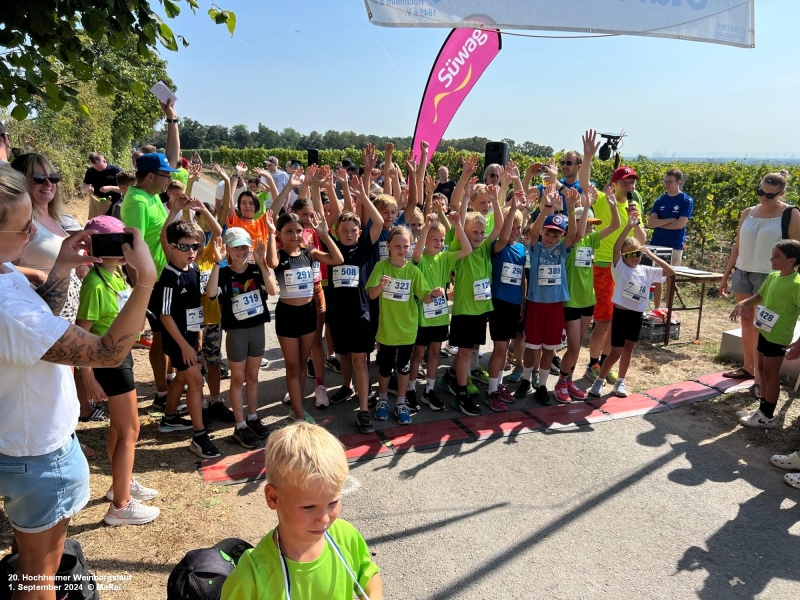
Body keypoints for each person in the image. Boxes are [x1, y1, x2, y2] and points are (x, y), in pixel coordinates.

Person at [0, 164, 157, 599]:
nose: (34, 231)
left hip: (21, 441)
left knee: (28, 559)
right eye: (23, 227)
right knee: (39, 577)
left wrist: (63, 265)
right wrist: (145, 281)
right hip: (39, 453)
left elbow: (35, 315)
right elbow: (108, 352)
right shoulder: (9, 311)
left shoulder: (5, 271)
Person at [220, 422, 383, 599]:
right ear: (273, 498)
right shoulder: (250, 578)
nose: (324, 519)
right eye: (308, 507)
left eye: (333, 503)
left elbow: (367, 575)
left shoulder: (346, 536)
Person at [75, 215, 160, 526]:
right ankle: (121, 505)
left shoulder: (118, 276)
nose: (123, 249)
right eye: (114, 242)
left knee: (119, 428)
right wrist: (87, 377)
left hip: (120, 358)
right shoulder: (94, 283)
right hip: (108, 363)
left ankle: (120, 484)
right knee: (130, 430)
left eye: (125, 242)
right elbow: (81, 334)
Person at [719, 173, 800, 398]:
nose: (764, 197)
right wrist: (725, 276)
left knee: (762, 326)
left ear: (782, 193)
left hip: (770, 276)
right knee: (746, 321)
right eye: (761, 192)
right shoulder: (748, 213)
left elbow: (796, 249)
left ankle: (759, 380)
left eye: (770, 195)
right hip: (743, 272)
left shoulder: (791, 214)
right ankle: (748, 367)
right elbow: (737, 247)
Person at [267, 211, 343, 424]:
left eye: (298, 231)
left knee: (302, 363)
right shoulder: (279, 255)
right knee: (292, 366)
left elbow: (338, 259)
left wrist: (324, 235)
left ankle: (296, 408)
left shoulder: (310, 253)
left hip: (308, 313)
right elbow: (271, 262)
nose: (295, 235)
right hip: (287, 315)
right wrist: (271, 233)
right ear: (280, 234)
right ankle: (299, 415)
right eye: (288, 231)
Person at [154, 220, 220, 459]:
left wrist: (198, 334)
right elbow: (165, 315)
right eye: (185, 247)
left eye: (195, 246)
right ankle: (199, 435)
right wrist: (184, 346)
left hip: (191, 337)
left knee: (182, 378)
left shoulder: (193, 269)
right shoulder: (169, 277)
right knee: (196, 382)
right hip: (177, 342)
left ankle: (169, 418)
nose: (191, 251)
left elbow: (195, 306)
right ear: (171, 247)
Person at [206, 229, 278, 448]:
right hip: (237, 332)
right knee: (238, 378)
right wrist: (217, 262)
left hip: (256, 329)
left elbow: (273, 291)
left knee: (253, 376)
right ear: (227, 248)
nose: (241, 251)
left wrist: (262, 263)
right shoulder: (223, 272)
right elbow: (210, 293)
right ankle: (240, 425)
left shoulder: (256, 270)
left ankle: (253, 417)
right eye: (236, 247)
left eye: (244, 246)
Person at [588, 215, 674, 398]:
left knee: (628, 350)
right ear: (623, 256)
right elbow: (616, 248)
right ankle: (599, 381)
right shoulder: (620, 268)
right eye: (629, 255)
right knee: (614, 353)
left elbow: (670, 272)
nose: (634, 258)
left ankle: (620, 382)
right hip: (620, 315)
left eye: (637, 254)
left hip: (636, 316)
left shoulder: (646, 270)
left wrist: (652, 255)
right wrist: (628, 226)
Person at [324, 177, 384, 433]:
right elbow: (322, 226)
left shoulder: (363, 249)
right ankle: (346, 387)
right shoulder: (333, 248)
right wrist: (325, 188)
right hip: (338, 315)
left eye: (353, 230)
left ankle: (363, 410)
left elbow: (379, 223)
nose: (349, 234)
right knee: (344, 355)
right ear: (337, 232)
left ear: (359, 232)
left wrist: (363, 196)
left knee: (360, 359)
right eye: (344, 230)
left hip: (361, 314)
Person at [513, 186, 581, 404]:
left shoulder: (561, 250)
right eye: (548, 233)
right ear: (543, 232)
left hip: (555, 306)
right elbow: (533, 233)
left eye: (556, 234)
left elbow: (573, 235)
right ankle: (526, 379)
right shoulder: (536, 248)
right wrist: (546, 207)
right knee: (531, 346)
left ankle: (542, 385)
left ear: (560, 236)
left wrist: (571, 209)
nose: (551, 237)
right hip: (535, 304)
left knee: (549, 348)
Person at [441, 182, 504, 415]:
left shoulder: (485, 247)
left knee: (467, 351)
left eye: (481, 232)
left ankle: (450, 377)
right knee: (465, 353)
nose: (478, 236)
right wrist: (466, 200)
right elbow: (461, 224)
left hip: (480, 309)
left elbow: (499, 226)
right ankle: (461, 395)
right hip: (465, 310)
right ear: (465, 234)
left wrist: (495, 200)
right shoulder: (461, 247)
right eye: (474, 232)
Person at [366, 227, 440, 425]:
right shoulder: (381, 267)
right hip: (387, 328)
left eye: (405, 246)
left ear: (411, 247)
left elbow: (424, 298)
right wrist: (380, 286)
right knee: (385, 367)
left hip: (408, 328)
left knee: (404, 367)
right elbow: (371, 294)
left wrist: (433, 295)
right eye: (397, 246)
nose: (402, 250)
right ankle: (383, 400)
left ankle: (401, 402)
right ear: (388, 246)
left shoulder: (413, 271)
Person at [120, 151, 177, 405]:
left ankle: (170, 379)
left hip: (163, 278)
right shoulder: (138, 202)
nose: (169, 180)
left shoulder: (152, 196)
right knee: (160, 337)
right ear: (151, 176)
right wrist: (139, 291)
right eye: (166, 176)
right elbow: (132, 247)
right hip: (151, 283)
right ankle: (162, 393)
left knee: (167, 334)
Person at [584, 160, 646, 384]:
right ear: (614, 184)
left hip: (624, 269)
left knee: (614, 321)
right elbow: (584, 182)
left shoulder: (633, 208)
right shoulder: (603, 199)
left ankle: (605, 362)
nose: (630, 187)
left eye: (632, 183)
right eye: (625, 183)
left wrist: (635, 221)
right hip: (602, 266)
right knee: (603, 320)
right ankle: (592, 364)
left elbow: (641, 240)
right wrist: (588, 157)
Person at [555, 189, 620, 403]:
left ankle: (569, 381)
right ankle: (560, 383)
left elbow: (615, 226)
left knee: (577, 347)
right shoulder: (569, 241)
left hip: (587, 300)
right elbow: (576, 233)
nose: (591, 227)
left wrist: (612, 205)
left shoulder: (591, 240)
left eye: (592, 223)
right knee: (573, 347)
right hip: (571, 300)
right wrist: (578, 207)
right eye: (589, 223)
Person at [730, 240, 800, 428]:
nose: (771, 259)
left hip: (779, 337)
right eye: (772, 254)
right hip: (764, 331)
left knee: (771, 374)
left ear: (792, 260)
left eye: (777, 256)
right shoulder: (773, 276)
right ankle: (762, 410)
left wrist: (799, 342)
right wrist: (743, 303)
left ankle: (767, 416)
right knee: (761, 369)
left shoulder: (797, 284)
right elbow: (760, 297)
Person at [409, 208, 472, 412]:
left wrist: (458, 226)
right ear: (426, 240)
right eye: (434, 239)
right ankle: (410, 389)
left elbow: (467, 250)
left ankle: (429, 390)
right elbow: (416, 253)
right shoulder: (420, 258)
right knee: (418, 353)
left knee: (435, 352)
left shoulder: (445, 257)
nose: (439, 243)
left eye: (442, 239)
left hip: (440, 316)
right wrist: (426, 227)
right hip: (422, 315)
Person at [484, 193, 527, 411]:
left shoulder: (521, 248)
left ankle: (498, 384)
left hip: (514, 303)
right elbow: (502, 235)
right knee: (500, 348)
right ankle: (491, 392)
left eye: (519, 228)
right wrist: (512, 210)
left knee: (505, 348)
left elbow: (522, 277)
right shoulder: (498, 246)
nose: (515, 231)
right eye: (512, 227)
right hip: (498, 302)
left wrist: (522, 303)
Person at [647, 169, 694, 308]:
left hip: (675, 245)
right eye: (665, 181)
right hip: (657, 243)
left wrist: (660, 223)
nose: (666, 184)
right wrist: (669, 220)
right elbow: (651, 223)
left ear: (678, 182)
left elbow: (680, 225)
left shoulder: (686, 200)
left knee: (671, 279)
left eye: (670, 182)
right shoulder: (660, 200)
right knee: (657, 278)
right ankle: (656, 308)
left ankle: (668, 310)